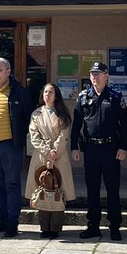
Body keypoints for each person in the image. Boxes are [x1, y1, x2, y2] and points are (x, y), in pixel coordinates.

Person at [71, 61, 127, 240]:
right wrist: (74, 146)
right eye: (92, 74)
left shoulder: (115, 97)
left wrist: (123, 147)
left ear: (106, 76)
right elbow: (76, 125)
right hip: (90, 149)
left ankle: (114, 226)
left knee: (113, 189)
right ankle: (93, 225)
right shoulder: (83, 97)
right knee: (92, 189)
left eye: (98, 74)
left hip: (111, 149)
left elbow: (125, 126)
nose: (95, 77)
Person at [0, 57, 34, 238]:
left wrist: (18, 137)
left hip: (10, 146)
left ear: (8, 71)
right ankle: (0, 220)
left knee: (11, 184)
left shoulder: (19, 92)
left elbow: (28, 118)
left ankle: (12, 223)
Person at [26, 83, 76, 238]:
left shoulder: (62, 114)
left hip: (59, 157)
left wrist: (54, 153)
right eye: (45, 91)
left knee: (57, 190)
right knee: (42, 189)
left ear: (57, 95)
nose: (47, 94)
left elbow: (64, 136)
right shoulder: (36, 114)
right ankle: (44, 227)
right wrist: (47, 152)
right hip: (41, 156)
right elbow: (34, 135)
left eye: (51, 92)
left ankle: (55, 227)